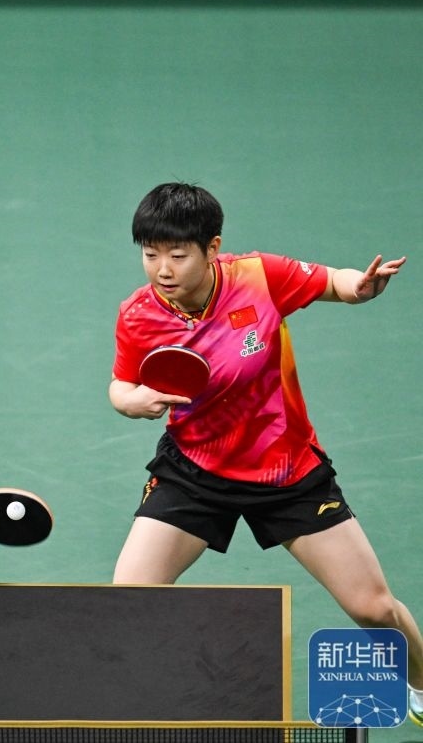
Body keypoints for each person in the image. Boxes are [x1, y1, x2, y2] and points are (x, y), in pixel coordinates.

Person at [108, 182, 422, 726]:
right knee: (129, 599)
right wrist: (131, 401)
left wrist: (361, 287)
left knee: (374, 608)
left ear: (212, 248)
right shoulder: (138, 314)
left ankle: (420, 679)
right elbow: (121, 383)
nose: (162, 269)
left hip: (285, 470)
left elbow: (334, 282)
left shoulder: (258, 277)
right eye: (150, 254)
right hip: (194, 470)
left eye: (177, 255)